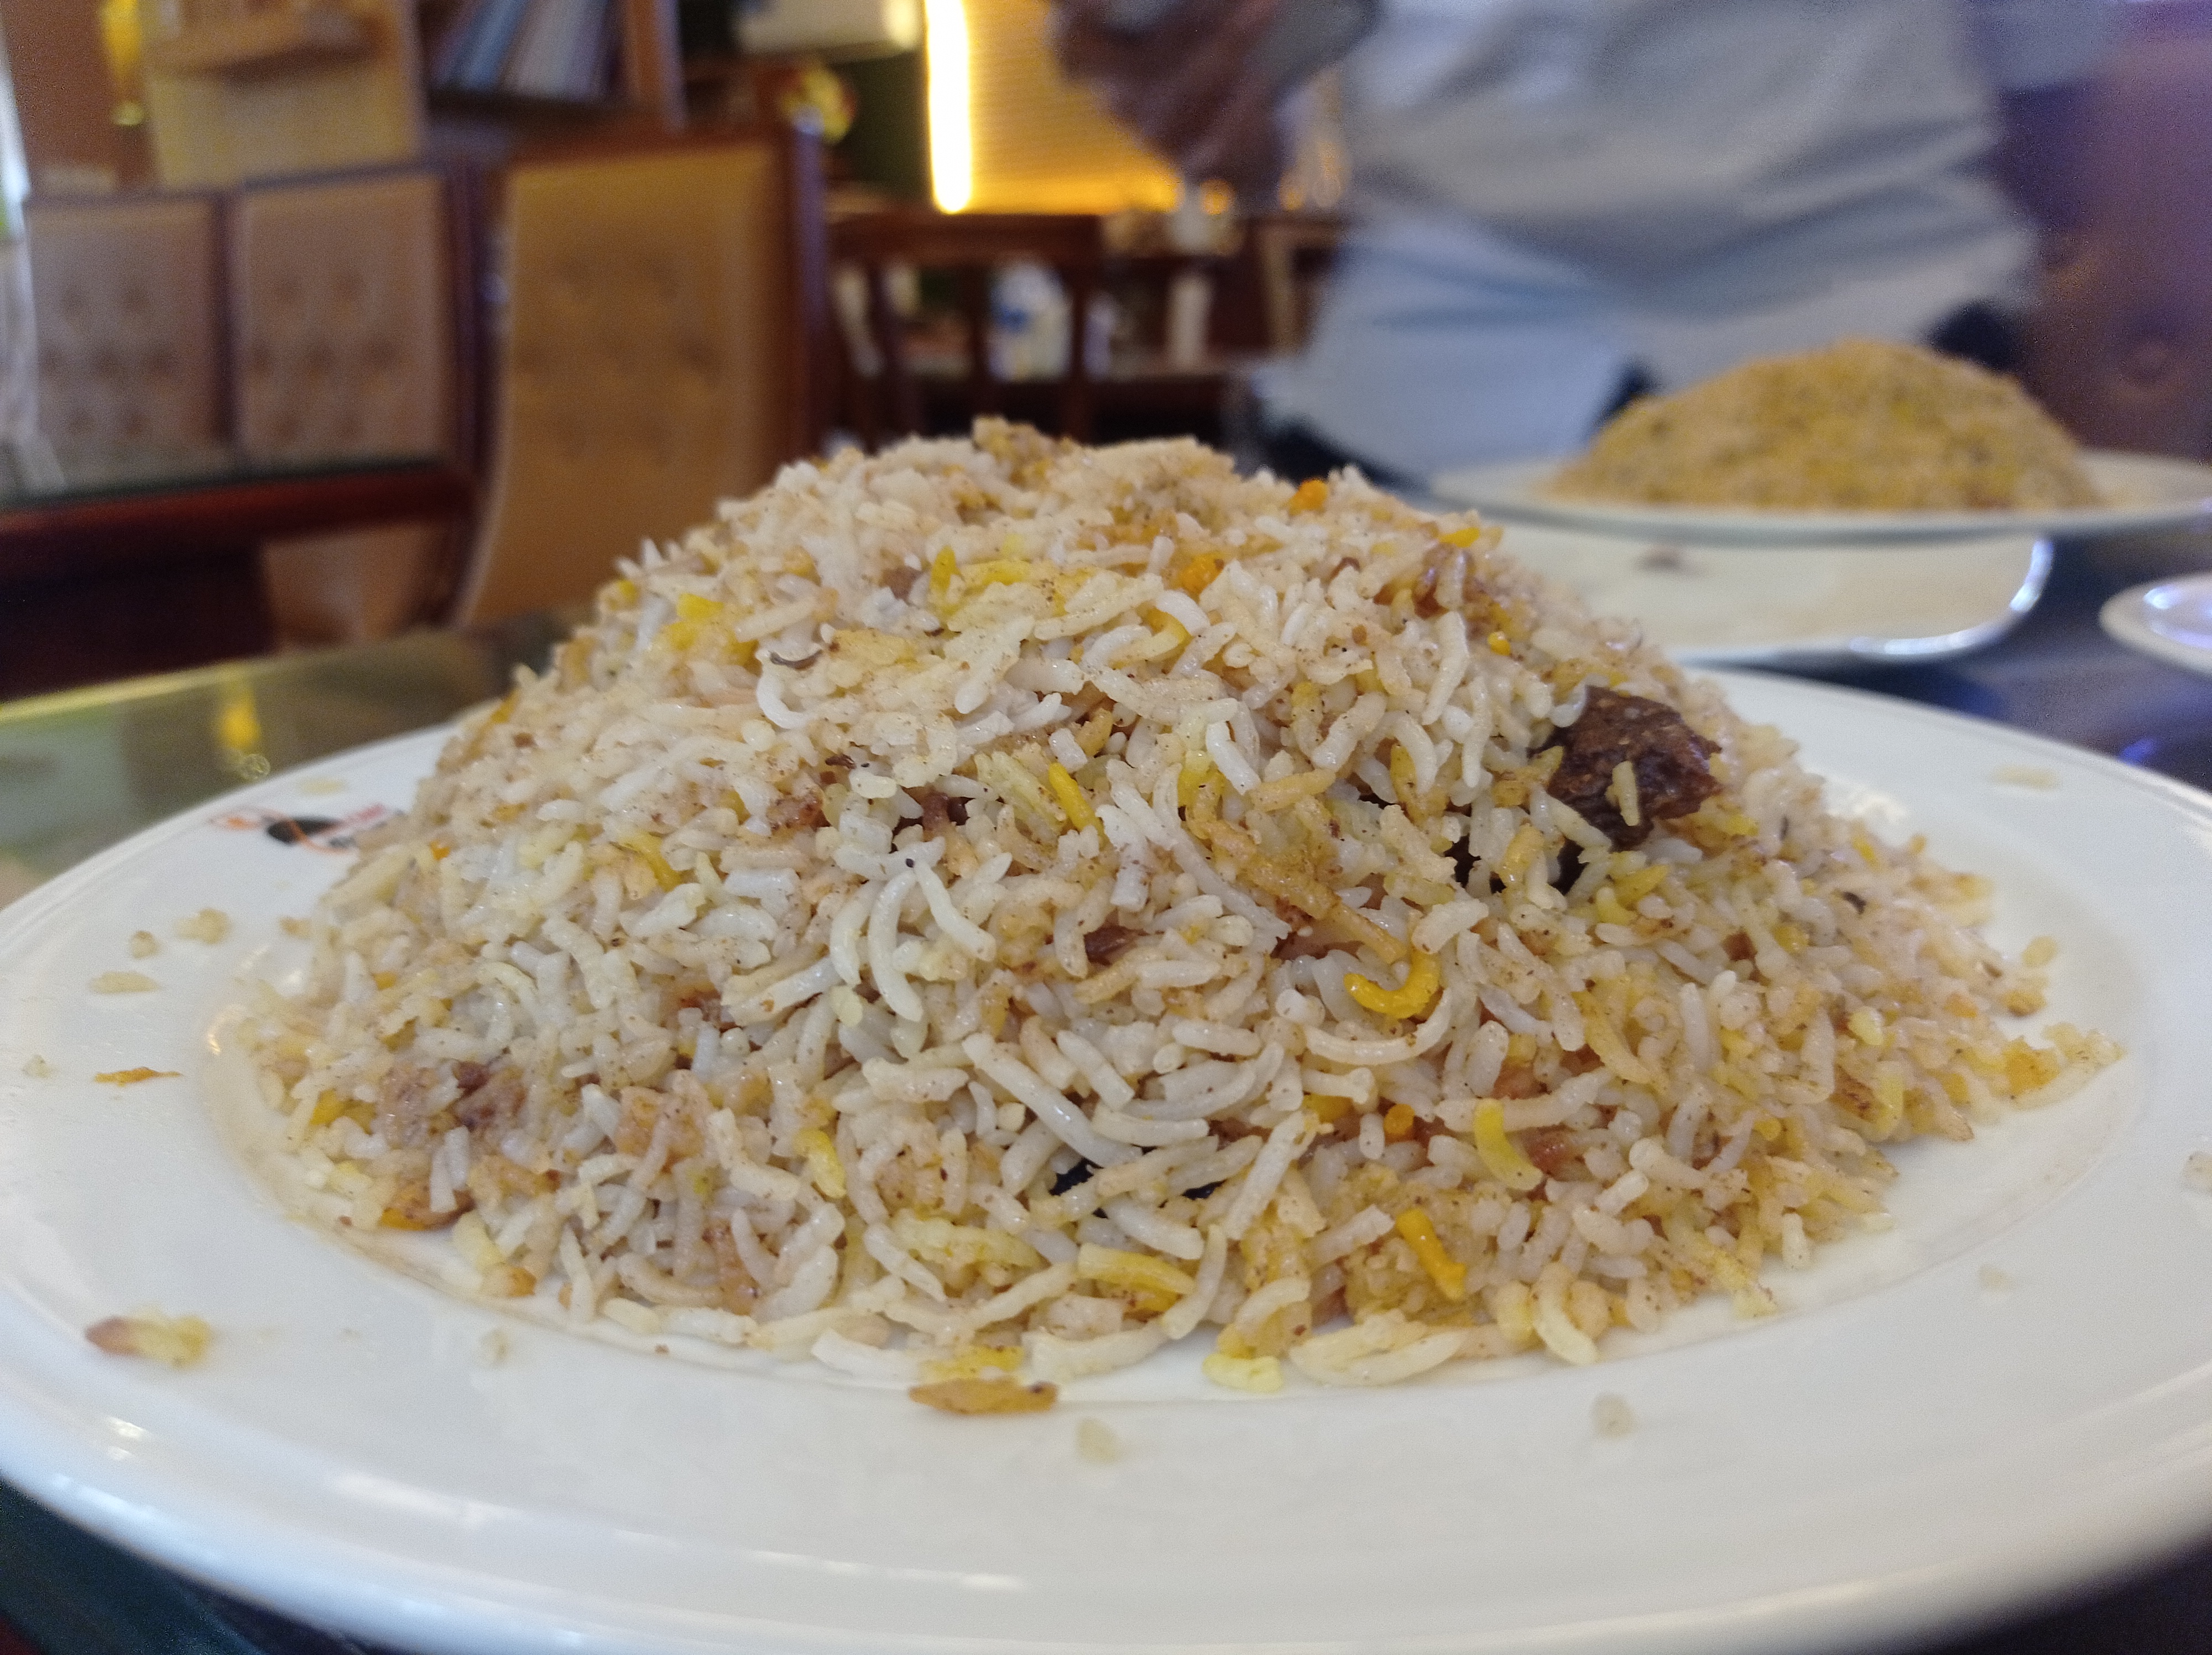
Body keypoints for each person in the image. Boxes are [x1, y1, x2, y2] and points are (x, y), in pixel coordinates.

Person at [1057, 0, 2115, 486]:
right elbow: (1170, 53)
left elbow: (2055, 84)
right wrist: (1190, 89)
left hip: (1889, 359)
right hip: (1411, 378)